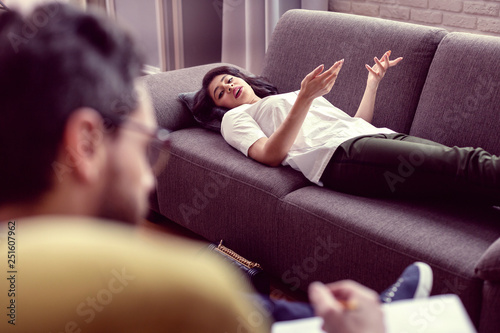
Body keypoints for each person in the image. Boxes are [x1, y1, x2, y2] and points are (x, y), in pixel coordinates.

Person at [0, 3, 432, 333]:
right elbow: (270, 153)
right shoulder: (185, 288)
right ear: (86, 143)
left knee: (249, 292)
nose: (150, 177)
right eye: (148, 147)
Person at [193, 57, 500, 205]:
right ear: (220, 106)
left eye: (229, 79)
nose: (229, 86)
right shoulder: (234, 119)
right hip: (337, 157)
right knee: (465, 162)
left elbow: (356, 123)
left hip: (367, 137)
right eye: (220, 92)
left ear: (242, 78)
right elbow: (270, 155)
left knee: (461, 175)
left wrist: (372, 85)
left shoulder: (283, 97)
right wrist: (304, 97)